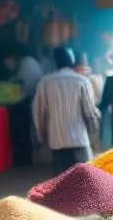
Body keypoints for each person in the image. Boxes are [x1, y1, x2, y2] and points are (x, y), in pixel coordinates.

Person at [32, 47, 100, 175]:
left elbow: (39, 112)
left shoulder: (45, 82)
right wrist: (94, 136)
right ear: (72, 60)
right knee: (83, 181)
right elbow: (90, 112)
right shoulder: (82, 81)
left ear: (54, 61)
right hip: (79, 141)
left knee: (62, 181)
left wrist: (42, 135)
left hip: (56, 141)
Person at [4, 52, 43, 167]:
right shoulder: (26, 62)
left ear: (12, 58)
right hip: (27, 101)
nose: (7, 65)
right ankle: (24, 159)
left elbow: (23, 84)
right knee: (24, 132)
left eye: (8, 62)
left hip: (26, 101)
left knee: (21, 132)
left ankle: (23, 160)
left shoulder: (27, 63)